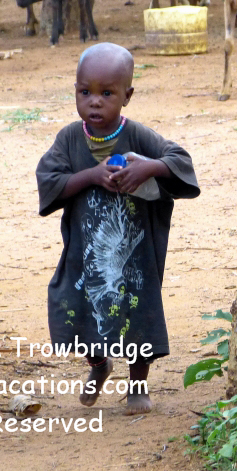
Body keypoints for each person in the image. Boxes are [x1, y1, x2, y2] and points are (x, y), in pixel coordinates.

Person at [36, 43, 199, 415]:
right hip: (86, 253)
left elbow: (180, 160)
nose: (95, 102)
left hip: (134, 256)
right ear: (75, 91)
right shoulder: (69, 139)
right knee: (78, 306)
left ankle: (137, 385)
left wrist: (150, 167)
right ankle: (99, 365)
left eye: (107, 93)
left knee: (137, 315)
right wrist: (92, 175)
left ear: (128, 95)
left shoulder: (138, 136)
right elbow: (51, 180)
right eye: (85, 92)